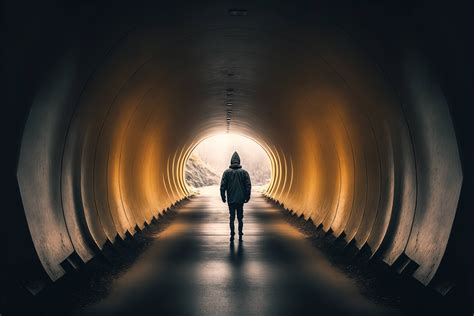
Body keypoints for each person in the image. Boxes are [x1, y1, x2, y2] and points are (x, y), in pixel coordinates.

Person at [220, 152, 251, 242]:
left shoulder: (226, 173)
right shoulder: (244, 173)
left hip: (231, 200)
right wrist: (247, 196)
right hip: (240, 200)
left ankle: (232, 234)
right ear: (239, 161)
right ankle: (240, 234)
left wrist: (223, 196)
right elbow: (248, 185)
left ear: (231, 161)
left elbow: (223, 185)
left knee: (232, 217)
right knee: (240, 218)